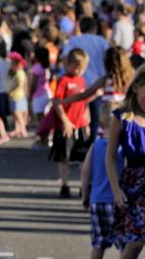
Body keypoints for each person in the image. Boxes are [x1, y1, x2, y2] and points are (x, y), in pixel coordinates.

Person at [106, 64, 145, 258]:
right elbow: (111, 155)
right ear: (137, 86)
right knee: (135, 242)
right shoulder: (122, 117)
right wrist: (116, 190)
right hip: (134, 186)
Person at [81, 101, 123, 259]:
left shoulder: (96, 145)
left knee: (98, 244)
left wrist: (85, 196)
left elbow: (85, 173)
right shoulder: (121, 148)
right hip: (117, 201)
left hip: (97, 201)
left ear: (100, 123)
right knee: (124, 244)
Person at [63, 16, 111, 142]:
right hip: (98, 82)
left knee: (77, 115)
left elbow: (65, 56)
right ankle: (94, 142)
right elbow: (109, 57)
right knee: (96, 117)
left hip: (79, 83)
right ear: (95, 28)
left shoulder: (75, 41)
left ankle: (77, 143)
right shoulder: (101, 41)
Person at [50, 48, 90, 199]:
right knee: (64, 157)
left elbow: (84, 101)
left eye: (82, 68)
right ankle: (64, 185)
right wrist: (65, 121)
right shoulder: (64, 81)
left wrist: (86, 119)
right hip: (66, 126)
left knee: (82, 157)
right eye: (76, 67)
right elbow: (57, 103)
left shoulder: (82, 81)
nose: (79, 71)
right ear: (69, 64)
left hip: (79, 124)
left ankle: (83, 185)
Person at [7, 52, 29, 139]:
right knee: (15, 114)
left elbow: (20, 84)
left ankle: (23, 129)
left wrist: (12, 91)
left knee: (18, 113)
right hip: (14, 96)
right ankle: (17, 129)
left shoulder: (20, 72)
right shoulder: (14, 73)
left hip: (18, 96)